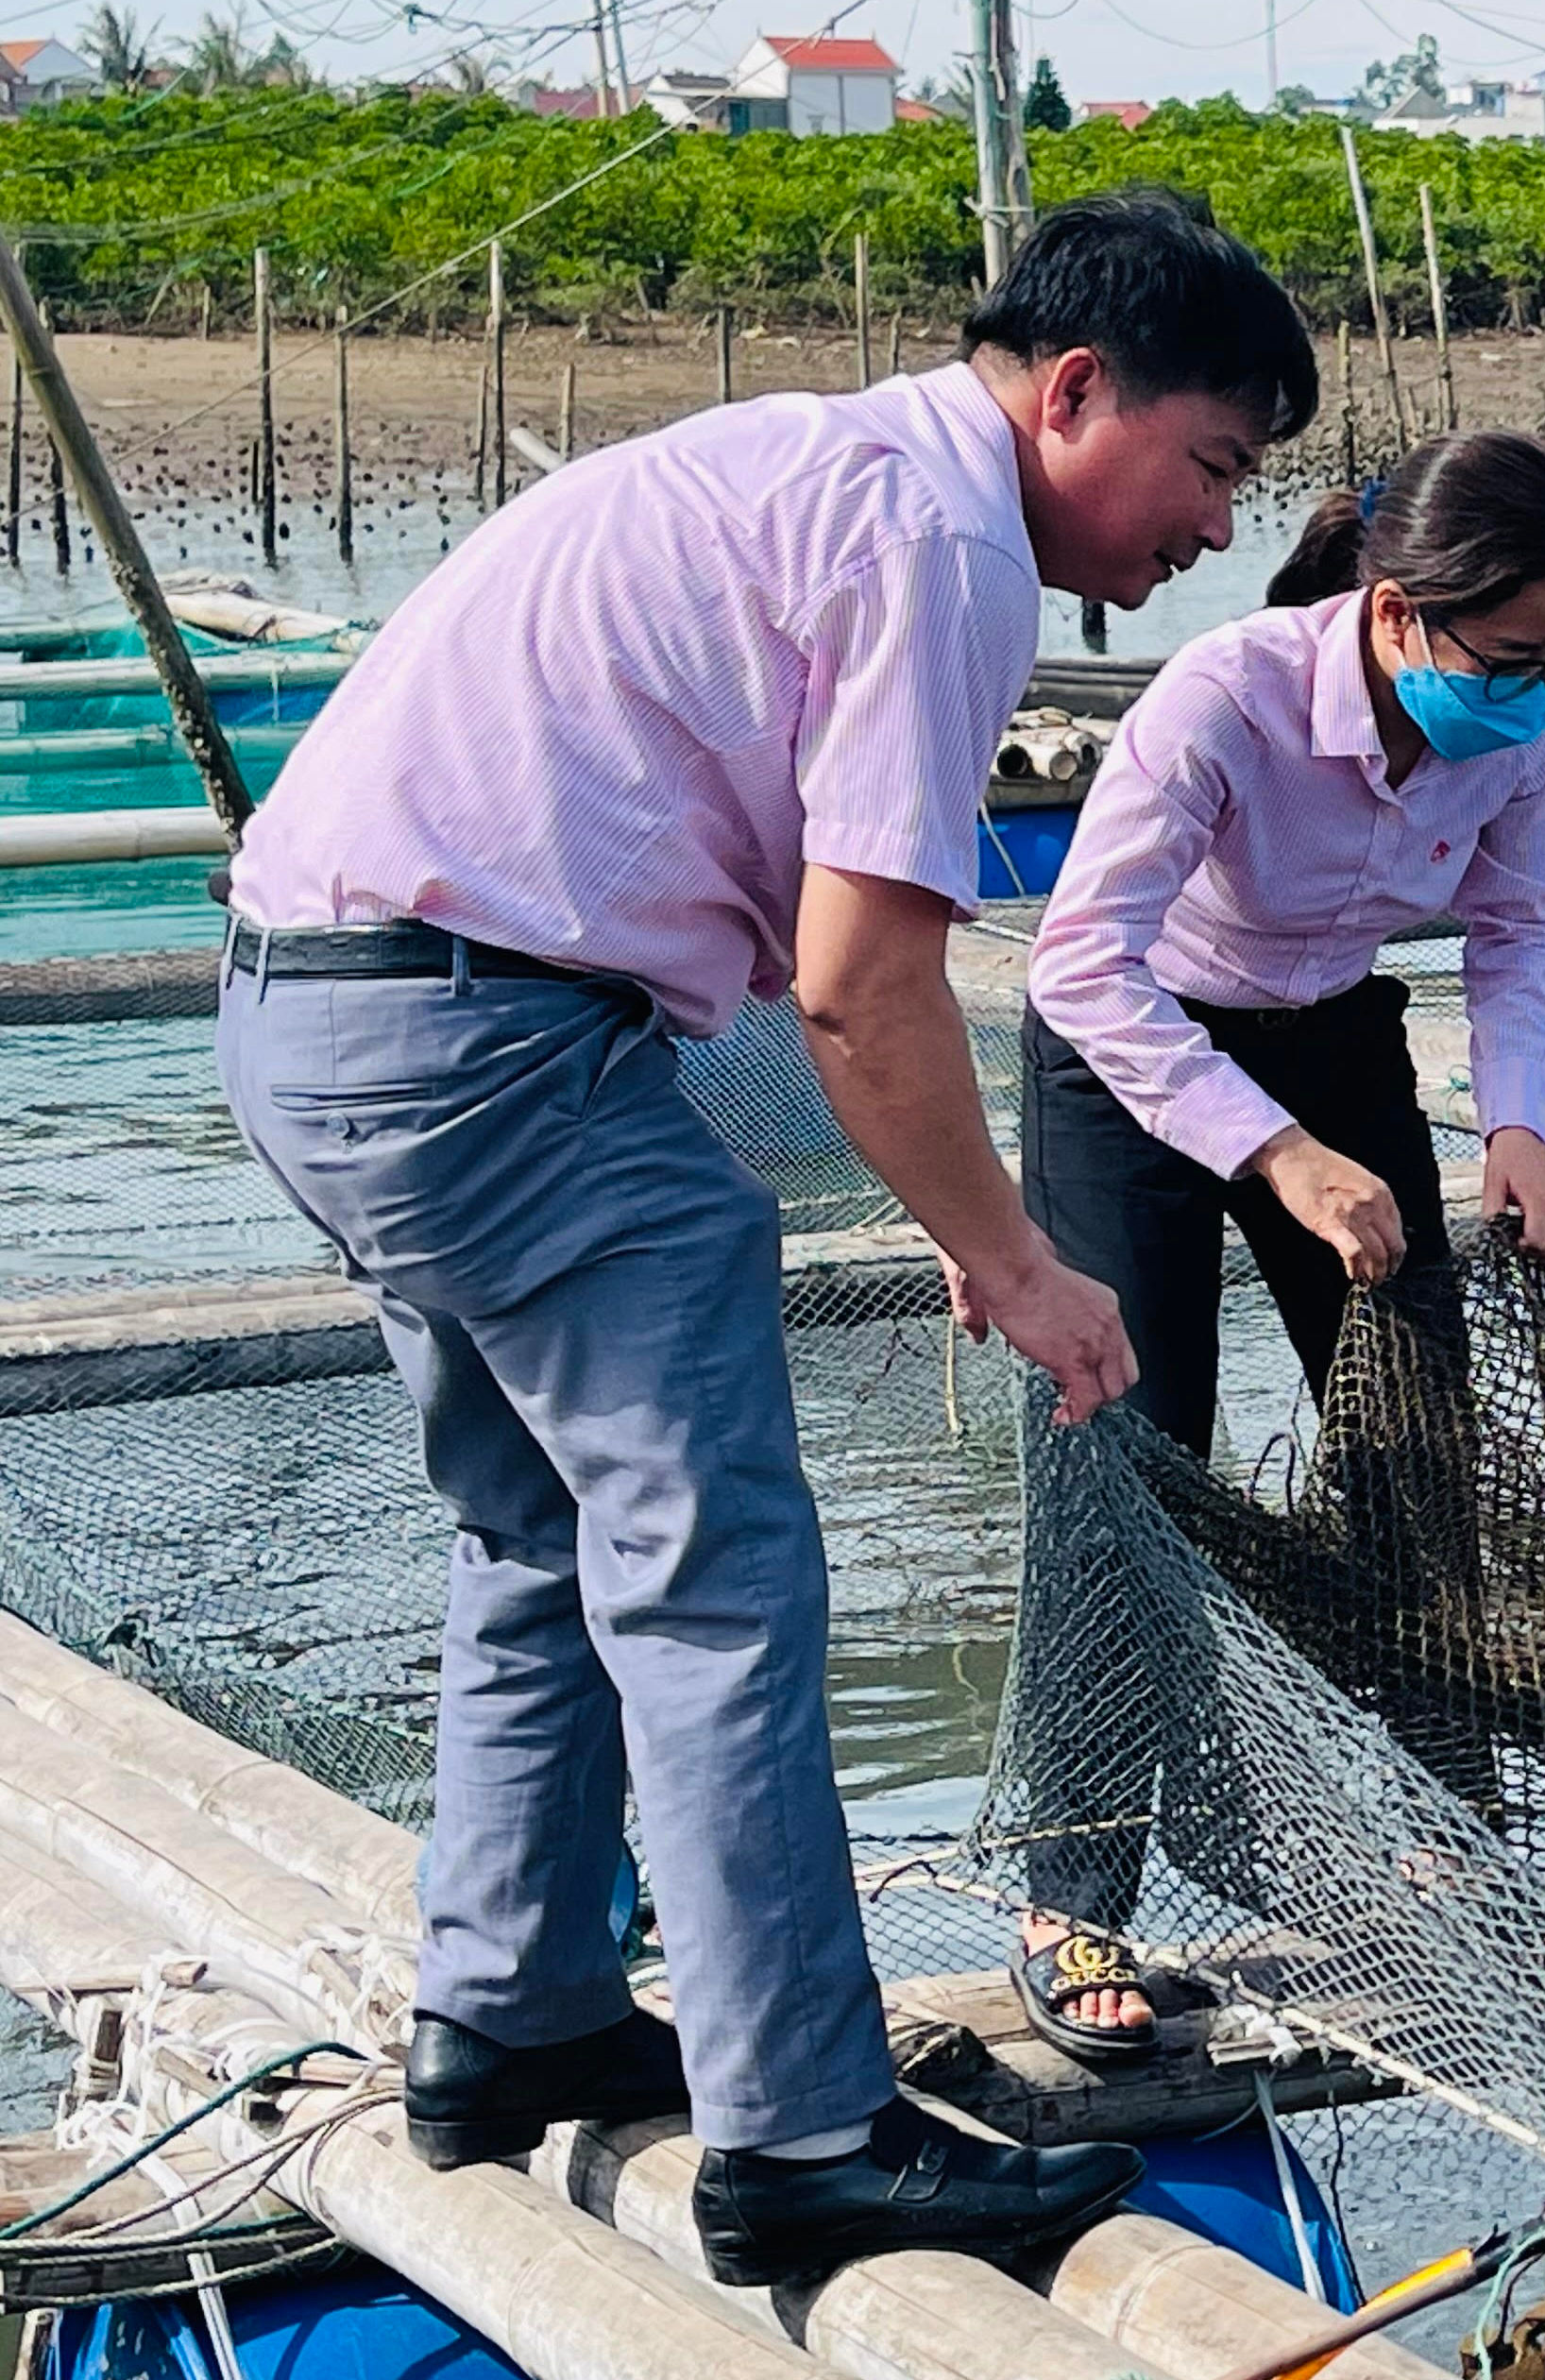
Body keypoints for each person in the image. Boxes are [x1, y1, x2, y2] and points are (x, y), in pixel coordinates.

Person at [213, 189, 1316, 2282]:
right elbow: (859, 989)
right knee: (720, 1584)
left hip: (323, 1020)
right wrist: (1013, 1259)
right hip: (493, 1046)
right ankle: (801, 2137)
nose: (1211, 532)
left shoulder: (825, 462)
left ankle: (513, 2010)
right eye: (1212, 470)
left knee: (543, 1537)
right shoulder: (941, 537)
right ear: (1075, 392)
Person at [1009, 428, 1545, 2061]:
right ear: (1401, 612)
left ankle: (1445, 1836)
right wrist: (1275, 1158)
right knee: (1124, 1444)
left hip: (1334, 1035)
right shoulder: (1227, 695)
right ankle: (1073, 1896)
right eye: (1514, 657)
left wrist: (1516, 1131)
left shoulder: (1521, 721)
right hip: (1132, 1052)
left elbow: (1512, 931)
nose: (1542, 690)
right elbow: (1080, 971)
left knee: (1417, 1430)